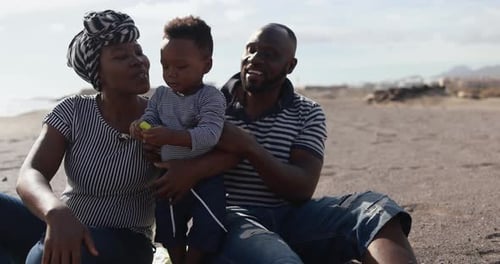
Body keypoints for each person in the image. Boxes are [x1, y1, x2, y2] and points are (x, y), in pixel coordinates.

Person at [152, 23, 418, 263]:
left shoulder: (307, 112)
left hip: (294, 217)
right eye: (251, 50)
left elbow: (301, 188)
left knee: (375, 210)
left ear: (290, 66)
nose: (255, 58)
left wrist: (250, 147)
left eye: (269, 54)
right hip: (234, 218)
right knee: (277, 257)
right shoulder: (209, 103)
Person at [0, 10, 156, 264]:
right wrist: (55, 211)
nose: (137, 61)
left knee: (43, 257)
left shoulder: (162, 117)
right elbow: (31, 173)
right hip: (63, 224)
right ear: (98, 72)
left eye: (138, 52)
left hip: (125, 241)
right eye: (121, 56)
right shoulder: (72, 111)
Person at [129, 15, 227, 264]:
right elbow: (149, 116)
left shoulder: (210, 97)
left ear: (206, 64)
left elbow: (210, 135)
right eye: (165, 66)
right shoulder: (161, 95)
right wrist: (140, 127)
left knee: (209, 223)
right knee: (168, 225)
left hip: (204, 177)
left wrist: (171, 136)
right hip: (167, 176)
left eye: (181, 67)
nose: (171, 74)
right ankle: (176, 258)